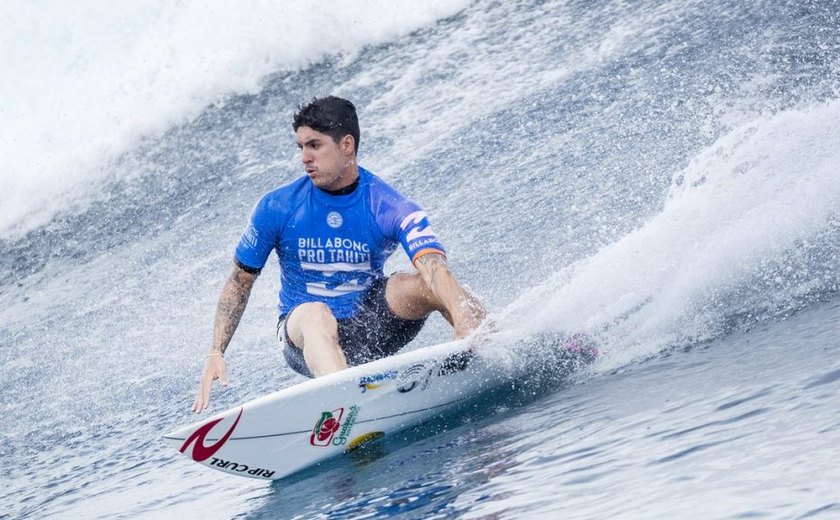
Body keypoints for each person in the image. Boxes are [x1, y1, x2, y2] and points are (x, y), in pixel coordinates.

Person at [192, 96, 486, 412]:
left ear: (347, 145)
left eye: (315, 146)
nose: (304, 157)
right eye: (301, 147)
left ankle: (485, 343)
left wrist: (464, 319)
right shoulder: (277, 207)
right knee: (315, 313)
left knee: (418, 281)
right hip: (305, 335)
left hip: (372, 323)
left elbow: (434, 266)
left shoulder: (388, 205)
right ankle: (348, 405)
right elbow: (239, 282)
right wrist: (215, 352)